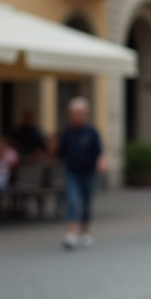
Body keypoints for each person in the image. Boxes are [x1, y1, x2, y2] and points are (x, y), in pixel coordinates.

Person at [58, 97, 107, 249]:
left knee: (86, 204)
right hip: (72, 172)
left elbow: (100, 151)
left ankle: (84, 233)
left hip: (89, 173)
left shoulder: (92, 131)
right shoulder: (66, 132)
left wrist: (102, 161)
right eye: (73, 113)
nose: (76, 116)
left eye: (79, 113)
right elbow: (61, 153)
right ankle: (71, 234)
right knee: (72, 202)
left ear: (85, 114)